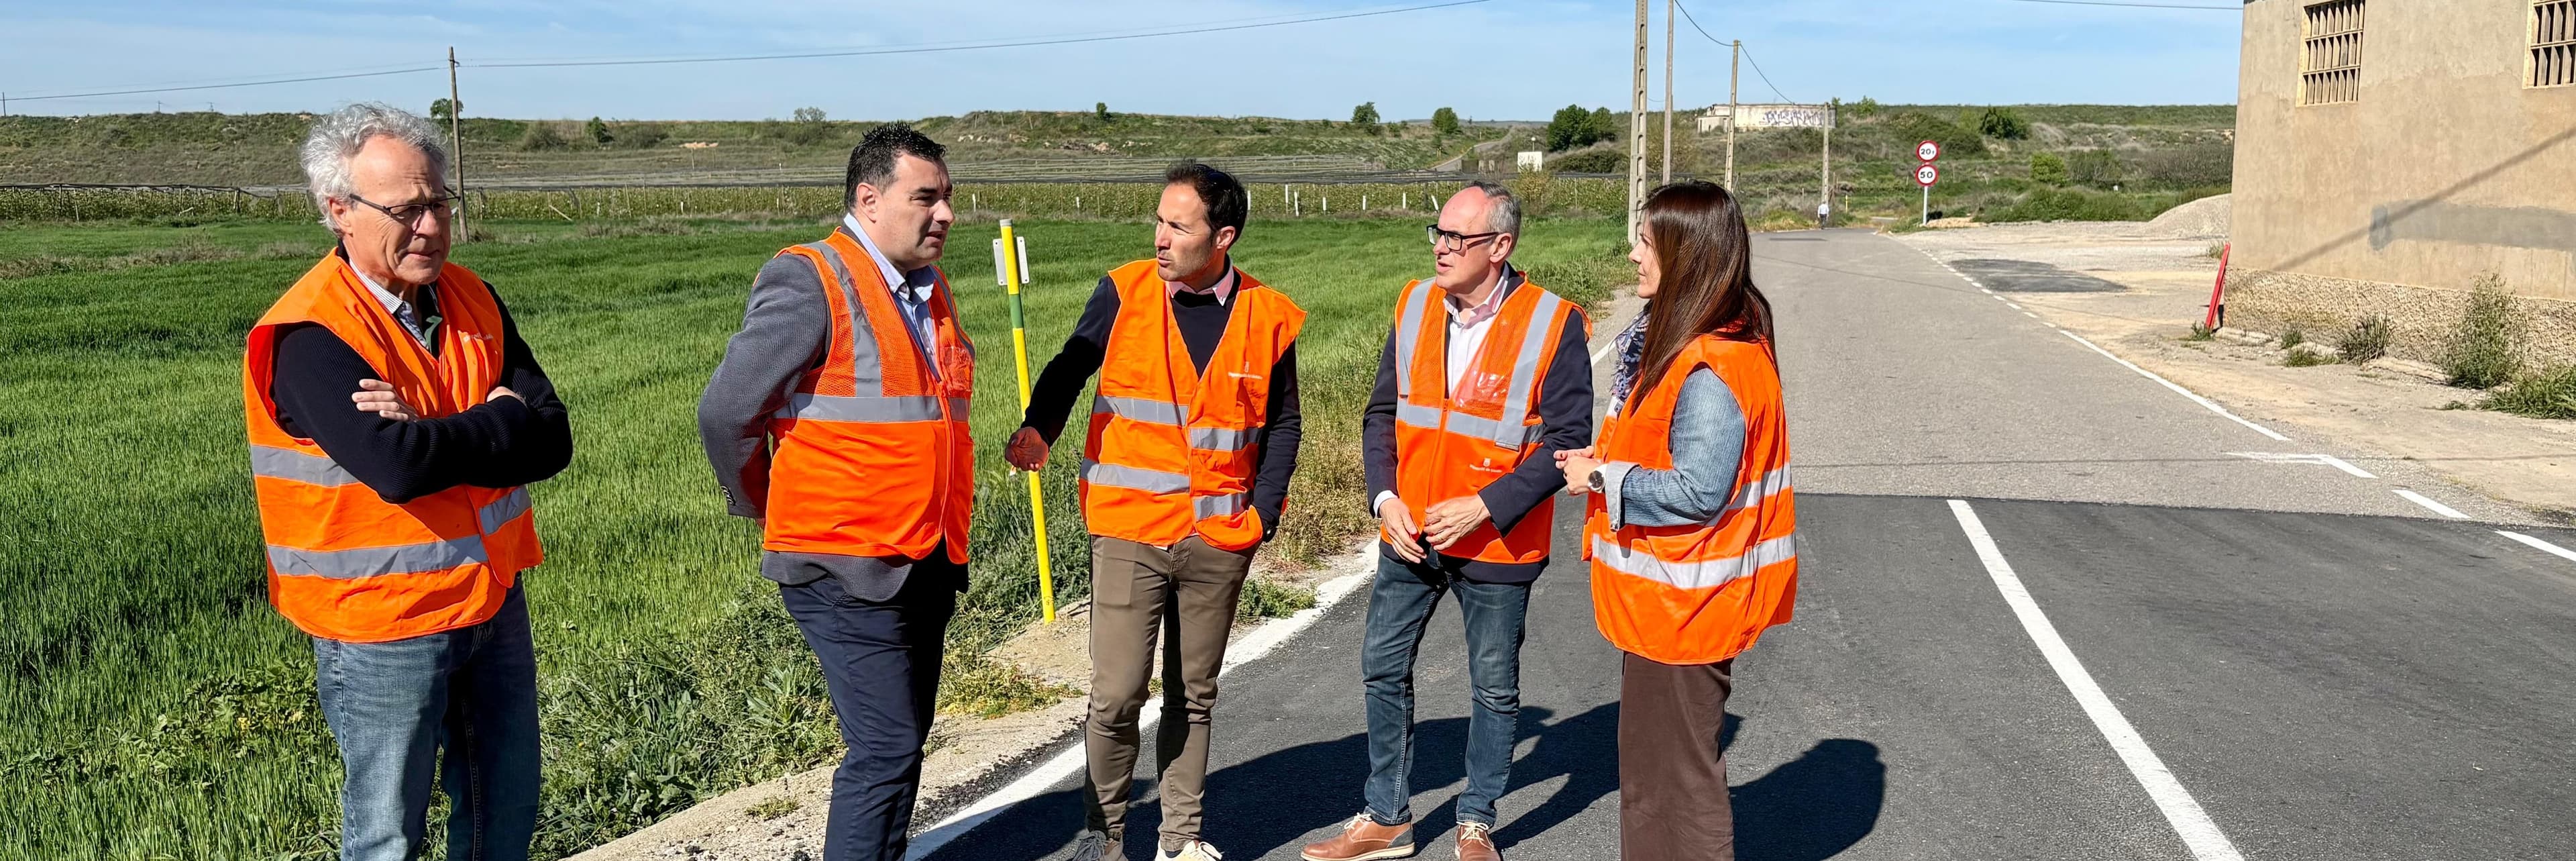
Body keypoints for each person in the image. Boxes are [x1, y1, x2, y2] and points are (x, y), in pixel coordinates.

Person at [245, 102, 573, 861]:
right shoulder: (310, 333)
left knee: (505, 809)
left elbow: (551, 436)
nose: (430, 226)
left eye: (439, 203)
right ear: (340, 211)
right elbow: (397, 467)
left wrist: (429, 429)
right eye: (406, 210)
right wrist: (492, 418)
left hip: (491, 596)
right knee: (389, 834)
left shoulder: (473, 297)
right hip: (382, 626)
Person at [1004, 162, 1304, 861]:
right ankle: (1102, 838)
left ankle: (1181, 838)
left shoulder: (1268, 315)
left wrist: (1264, 515)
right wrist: (1039, 426)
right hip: (1128, 528)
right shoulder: (1124, 290)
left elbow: (1283, 424)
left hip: (1219, 536)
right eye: (1159, 221)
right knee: (1114, 697)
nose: (1160, 238)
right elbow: (1070, 364)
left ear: (1222, 236)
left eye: (1178, 225)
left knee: (1193, 696)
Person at [696, 124, 975, 861]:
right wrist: (768, 502)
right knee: (885, 747)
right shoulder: (811, 278)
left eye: (949, 197)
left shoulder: (927, 288)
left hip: (923, 555)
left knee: (904, 742)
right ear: (869, 198)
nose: (946, 213)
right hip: (844, 562)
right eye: (928, 197)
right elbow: (727, 412)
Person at [1301, 183, 1591, 861]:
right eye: (1438, 232)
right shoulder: (1413, 305)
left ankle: (1476, 820)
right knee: (1381, 665)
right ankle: (1386, 818)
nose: (1440, 246)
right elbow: (1382, 415)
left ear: (1501, 246)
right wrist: (1384, 498)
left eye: (1457, 237)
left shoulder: (1554, 322)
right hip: (1409, 533)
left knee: (1492, 684)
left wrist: (1487, 505)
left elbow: (1568, 439)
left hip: (1497, 541)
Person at [1559, 181, 1796, 861]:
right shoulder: (1699, 342)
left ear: (1685, 256)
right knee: (1657, 781)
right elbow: (1666, 448)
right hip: (1674, 609)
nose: (1634, 254)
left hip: (1684, 614)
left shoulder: (1708, 364)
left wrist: (1602, 477)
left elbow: (1698, 489)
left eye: (1647, 240)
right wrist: (1603, 456)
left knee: (1676, 789)